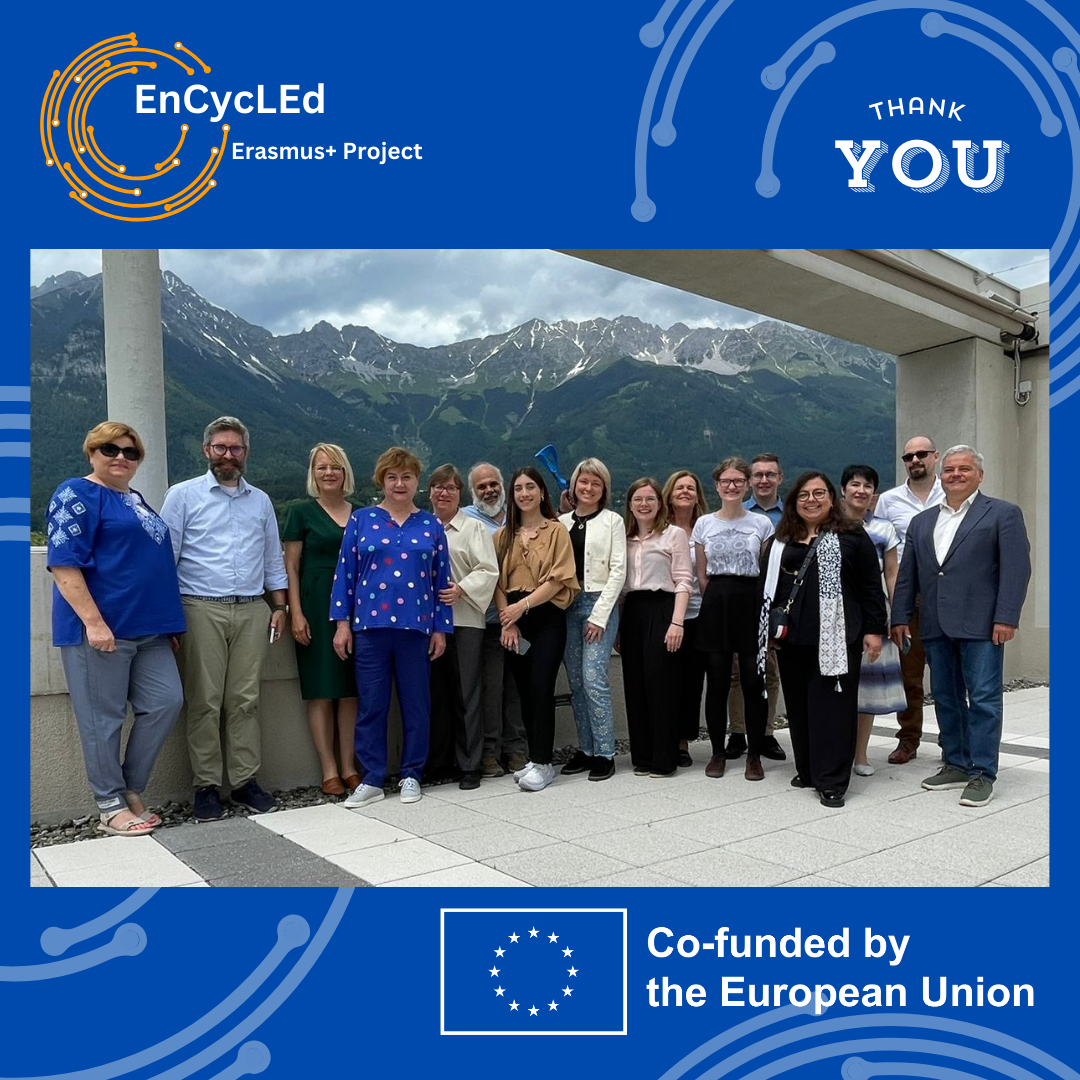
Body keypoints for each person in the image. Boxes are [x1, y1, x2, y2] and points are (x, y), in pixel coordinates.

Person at [46, 422, 185, 836]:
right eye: (110, 450)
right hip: (102, 630)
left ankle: (130, 787)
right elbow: (63, 563)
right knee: (101, 719)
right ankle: (110, 803)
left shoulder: (135, 499)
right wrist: (93, 622)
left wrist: (169, 622)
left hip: (150, 630)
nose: (121, 457)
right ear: (91, 453)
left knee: (166, 702)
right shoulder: (76, 493)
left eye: (130, 452)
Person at [162, 416, 288, 822]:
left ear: (245, 453)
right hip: (200, 607)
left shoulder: (261, 501)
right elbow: (166, 560)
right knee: (205, 701)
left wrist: (281, 607)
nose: (228, 455)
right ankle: (206, 787)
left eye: (235, 448)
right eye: (220, 448)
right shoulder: (182, 496)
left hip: (253, 608)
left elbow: (273, 559)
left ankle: (245, 782)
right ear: (206, 451)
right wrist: (169, 619)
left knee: (245, 700)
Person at [891, 446, 1031, 809]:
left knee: (983, 698)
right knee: (947, 696)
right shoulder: (923, 522)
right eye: (950, 469)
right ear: (941, 475)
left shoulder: (1002, 513)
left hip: (982, 624)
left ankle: (983, 772)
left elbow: (1016, 570)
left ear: (979, 475)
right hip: (935, 624)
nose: (955, 474)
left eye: (964, 469)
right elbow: (908, 575)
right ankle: (955, 762)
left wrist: (1006, 617)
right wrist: (900, 618)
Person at [758, 471, 888, 808]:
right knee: (800, 708)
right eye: (804, 494)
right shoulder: (780, 540)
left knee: (832, 708)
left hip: (838, 637)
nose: (811, 500)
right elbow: (768, 589)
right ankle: (809, 769)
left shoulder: (852, 536)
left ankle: (831, 780)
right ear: (793, 501)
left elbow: (871, 587)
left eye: (819, 493)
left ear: (832, 498)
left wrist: (874, 631)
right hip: (791, 639)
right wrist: (767, 633)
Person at [332, 447, 453, 808]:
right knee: (372, 705)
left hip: (416, 629)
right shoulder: (362, 520)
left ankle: (412, 773)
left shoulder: (431, 525)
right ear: (381, 481)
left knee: (417, 704)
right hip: (369, 628)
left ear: (417, 481)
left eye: (406, 477)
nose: (399, 484)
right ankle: (371, 777)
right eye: (392, 477)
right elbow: (345, 575)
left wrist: (439, 629)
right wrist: (342, 624)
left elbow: (441, 581)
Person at [494, 467, 579, 792]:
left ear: (542, 492)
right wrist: (509, 619)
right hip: (514, 622)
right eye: (518, 488)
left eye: (531, 487)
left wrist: (523, 606)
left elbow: (559, 578)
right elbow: (496, 582)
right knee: (525, 692)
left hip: (546, 617)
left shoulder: (556, 531)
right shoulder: (501, 536)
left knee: (542, 687)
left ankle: (544, 764)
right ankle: (535, 758)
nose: (525, 493)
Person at [283, 444, 360, 797]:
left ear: (346, 473)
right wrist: (295, 612)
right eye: (321, 467)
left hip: (357, 607)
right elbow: (291, 567)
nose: (329, 473)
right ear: (313, 474)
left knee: (349, 691)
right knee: (321, 690)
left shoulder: (362, 515)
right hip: (315, 606)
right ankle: (328, 769)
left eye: (335, 467)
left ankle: (348, 766)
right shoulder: (300, 512)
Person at [692, 458, 774, 781]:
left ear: (747, 484)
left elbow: (766, 570)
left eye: (738, 480)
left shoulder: (762, 524)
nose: (732, 486)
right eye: (726, 480)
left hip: (751, 600)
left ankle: (754, 755)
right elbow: (701, 575)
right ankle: (717, 752)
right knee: (717, 681)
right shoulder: (704, 524)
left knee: (754, 682)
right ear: (716, 485)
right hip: (716, 601)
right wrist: (716, 599)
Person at [427, 463, 499, 790]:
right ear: (429, 492)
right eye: (438, 487)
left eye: (451, 488)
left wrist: (461, 588)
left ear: (460, 495)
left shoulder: (473, 529)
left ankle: (469, 764)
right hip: (426, 624)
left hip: (465, 619)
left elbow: (488, 570)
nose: (444, 493)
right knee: (434, 694)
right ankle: (439, 761)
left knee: (466, 693)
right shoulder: (420, 527)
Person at [874, 435, 945, 764]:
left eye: (921, 454)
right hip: (909, 596)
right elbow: (884, 550)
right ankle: (909, 739)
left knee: (948, 673)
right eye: (908, 456)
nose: (915, 460)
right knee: (910, 675)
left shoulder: (953, 492)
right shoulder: (889, 501)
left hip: (947, 596)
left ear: (935, 456)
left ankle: (953, 740)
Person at [558, 458, 627, 782]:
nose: (588, 488)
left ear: (604, 489)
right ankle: (585, 749)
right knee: (575, 682)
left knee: (594, 679)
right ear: (574, 485)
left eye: (595, 483)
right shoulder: (561, 523)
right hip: (568, 606)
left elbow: (618, 571)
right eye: (583, 482)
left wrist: (599, 616)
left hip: (600, 602)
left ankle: (605, 752)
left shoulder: (613, 521)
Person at [621, 478, 693, 778]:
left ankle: (665, 758)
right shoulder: (622, 537)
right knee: (635, 684)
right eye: (638, 499)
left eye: (650, 498)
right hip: (632, 610)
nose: (644, 504)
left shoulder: (673, 535)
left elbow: (683, 581)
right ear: (630, 504)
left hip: (662, 608)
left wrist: (677, 622)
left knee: (661, 684)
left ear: (660, 503)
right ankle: (643, 756)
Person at [461, 462, 528, 776]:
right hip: (487, 621)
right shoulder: (465, 520)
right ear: (473, 492)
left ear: (503, 485)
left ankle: (516, 749)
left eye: (493, 484)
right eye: (481, 487)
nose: (489, 491)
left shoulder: (521, 514)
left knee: (517, 688)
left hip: (523, 618)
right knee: (490, 689)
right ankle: (489, 753)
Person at [840, 465, 903, 777]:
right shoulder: (829, 524)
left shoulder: (884, 529)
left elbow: (891, 573)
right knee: (836, 685)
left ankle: (861, 755)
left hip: (873, 613)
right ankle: (834, 749)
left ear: (874, 494)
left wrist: (896, 614)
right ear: (843, 490)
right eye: (854, 484)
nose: (860, 490)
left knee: (865, 689)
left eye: (867, 486)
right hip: (835, 615)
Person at [728, 452, 786, 760]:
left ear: (780, 478)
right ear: (749, 480)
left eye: (770, 474)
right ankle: (737, 733)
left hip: (776, 604)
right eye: (758, 475)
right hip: (743, 602)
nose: (764, 480)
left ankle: (765, 733)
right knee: (738, 672)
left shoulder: (792, 514)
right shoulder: (737, 510)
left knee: (770, 672)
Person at [663, 470, 708, 767]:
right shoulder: (659, 529)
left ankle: (682, 742)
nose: (685, 492)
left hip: (700, 616)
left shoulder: (706, 529)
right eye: (679, 487)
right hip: (668, 616)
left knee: (692, 683)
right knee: (667, 680)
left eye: (690, 487)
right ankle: (664, 736)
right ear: (669, 493)